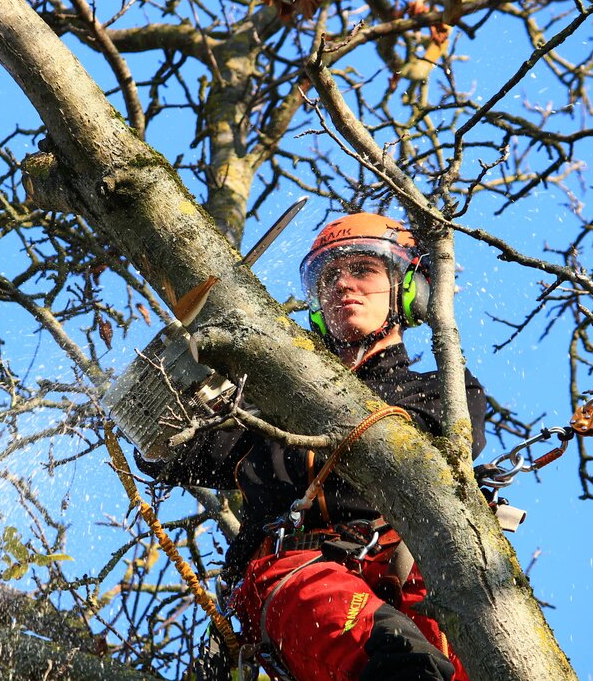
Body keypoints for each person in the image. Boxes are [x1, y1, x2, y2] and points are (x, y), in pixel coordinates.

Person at [138, 213, 487, 681]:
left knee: (462, 653)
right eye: (329, 277)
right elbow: (165, 452)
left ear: (407, 288)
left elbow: (424, 451)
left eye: (362, 270)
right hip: (298, 571)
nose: (342, 284)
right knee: (398, 658)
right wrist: (170, 381)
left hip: (409, 561)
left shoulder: (437, 390)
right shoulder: (263, 412)